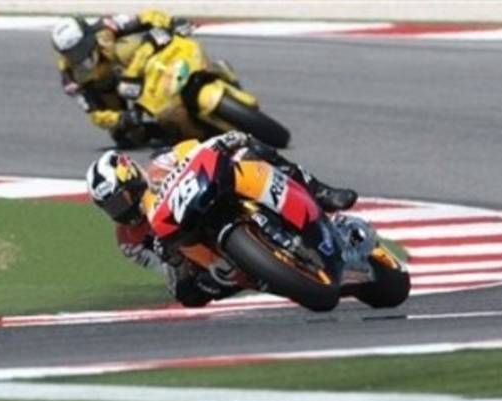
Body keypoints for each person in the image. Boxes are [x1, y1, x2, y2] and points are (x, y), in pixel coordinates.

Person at [85, 131, 358, 307]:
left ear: (131, 177)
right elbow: (164, 271)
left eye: (119, 201)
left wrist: (224, 141)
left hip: (213, 195)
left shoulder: (160, 165)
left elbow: (195, 150)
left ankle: (319, 191)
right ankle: (259, 272)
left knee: (250, 151)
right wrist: (175, 262)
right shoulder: (129, 240)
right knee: (187, 295)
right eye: (111, 208)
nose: (120, 211)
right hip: (197, 249)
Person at [50, 10, 184, 147]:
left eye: (81, 47)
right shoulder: (69, 77)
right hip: (108, 88)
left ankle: (168, 78)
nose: (81, 55)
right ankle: (161, 131)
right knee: (125, 135)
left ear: (88, 35)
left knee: (126, 48)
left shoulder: (104, 27)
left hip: (133, 66)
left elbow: (147, 16)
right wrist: (121, 118)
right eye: (72, 53)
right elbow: (94, 114)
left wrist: (167, 24)